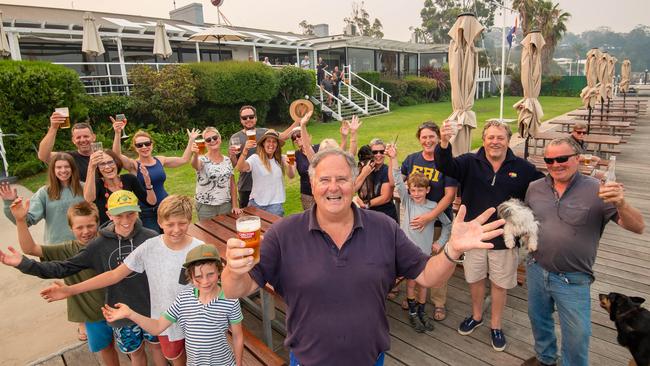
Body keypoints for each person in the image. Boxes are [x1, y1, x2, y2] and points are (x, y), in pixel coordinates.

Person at [222, 148, 505, 365]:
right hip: (307, 360)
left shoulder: (383, 228)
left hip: (371, 358)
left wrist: (452, 249)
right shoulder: (284, 233)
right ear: (312, 182)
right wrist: (233, 270)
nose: (334, 187)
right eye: (325, 180)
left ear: (354, 182)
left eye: (342, 179)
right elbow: (237, 288)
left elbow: (428, 276)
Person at [38, 195, 206, 366]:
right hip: (165, 321)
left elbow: (213, 282)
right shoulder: (150, 246)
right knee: (175, 358)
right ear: (160, 222)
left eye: (182, 223)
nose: (176, 229)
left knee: (200, 355)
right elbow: (114, 275)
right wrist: (69, 290)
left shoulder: (198, 248)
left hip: (196, 317)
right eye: (170, 224)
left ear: (189, 220)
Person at [521, 138, 645, 366]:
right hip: (536, 268)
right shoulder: (534, 188)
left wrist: (622, 204)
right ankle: (546, 358)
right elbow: (528, 221)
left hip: (573, 278)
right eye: (550, 160)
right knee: (539, 319)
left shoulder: (596, 189)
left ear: (577, 159)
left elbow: (637, 226)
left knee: (578, 335)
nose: (555, 164)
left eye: (562, 158)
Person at [10, 190, 165, 366]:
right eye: (119, 215)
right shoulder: (98, 245)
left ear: (137, 212)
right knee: (135, 354)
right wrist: (23, 264)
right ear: (109, 215)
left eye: (131, 214)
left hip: (153, 308)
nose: (126, 220)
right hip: (121, 313)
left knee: (158, 347)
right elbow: (63, 267)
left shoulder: (150, 237)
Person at [435, 120, 544, 351]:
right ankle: (476, 315)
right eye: (490, 137)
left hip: (505, 240)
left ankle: (496, 325)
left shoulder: (523, 168)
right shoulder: (468, 162)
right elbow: (444, 165)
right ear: (483, 140)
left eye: (500, 137)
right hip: (473, 237)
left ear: (508, 139)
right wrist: (444, 142)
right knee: (474, 279)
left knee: (499, 284)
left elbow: (545, 187)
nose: (495, 142)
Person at [0, 201, 119, 366]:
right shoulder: (65, 249)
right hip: (93, 314)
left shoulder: (110, 242)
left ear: (98, 223)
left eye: (90, 225)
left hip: (120, 307)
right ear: (71, 228)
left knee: (135, 346)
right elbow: (30, 249)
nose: (86, 232)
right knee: (107, 348)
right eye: (79, 227)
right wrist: (21, 221)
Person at [102, 244, 244, 366]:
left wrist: (238, 363)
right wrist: (130, 313)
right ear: (190, 276)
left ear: (219, 271)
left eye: (210, 274)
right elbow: (157, 327)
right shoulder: (183, 299)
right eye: (198, 277)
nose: (205, 281)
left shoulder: (230, 299)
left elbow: (237, 336)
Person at [396, 121, 459, 321]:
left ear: (439, 137)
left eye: (432, 136)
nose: (428, 140)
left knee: (439, 263)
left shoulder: (447, 161)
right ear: (419, 138)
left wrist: (429, 216)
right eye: (424, 136)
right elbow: (399, 181)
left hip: (438, 221)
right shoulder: (412, 159)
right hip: (415, 222)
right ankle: (412, 297)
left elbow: (449, 195)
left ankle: (438, 302)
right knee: (414, 260)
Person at [386, 144, 451, 333]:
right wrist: (393, 157)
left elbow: (448, 225)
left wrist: (440, 242)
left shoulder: (433, 207)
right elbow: (398, 180)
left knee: (424, 283)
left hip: (424, 254)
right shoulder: (407, 200)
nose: (416, 194)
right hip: (408, 253)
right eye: (413, 190)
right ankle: (413, 312)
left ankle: (422, 310)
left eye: (420, 190)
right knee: (411, 282)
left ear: (427, 190)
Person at [112, 117, 200, 232]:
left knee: (172, 234)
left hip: (166, 206)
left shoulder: (160, 160)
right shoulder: (133, 165)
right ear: (135, 148)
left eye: (147, 143)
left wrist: (191, 140)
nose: (144, 147)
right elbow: (116, 155)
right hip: (147, 211)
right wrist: (118, 133)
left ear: (152, 144)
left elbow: (184, 159)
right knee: (154, 237)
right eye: (140, 145)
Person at [1, 152, 85, 244]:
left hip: (84, 245)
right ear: (53, 170)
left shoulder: (85, 188)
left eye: (67, 166)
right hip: (56, 248)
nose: (63, 170)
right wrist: (9, 203)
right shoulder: (44, 193)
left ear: (73, 168)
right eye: (59, 167)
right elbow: (27, 221)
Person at [228, 105, 296, 209]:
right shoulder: (235, 138)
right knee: (249, 219)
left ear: (256, 117)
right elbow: (235, 165)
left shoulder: (265, 133)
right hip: (246, 185)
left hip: (267, 184)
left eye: (251, 116)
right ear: (241, 120)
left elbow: (284, 136)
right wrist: (232, 155)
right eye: (244, 118)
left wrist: (298, 120)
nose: (248, 119)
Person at [293, 114, 361, 210]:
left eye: (330, 150)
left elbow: (352, 153)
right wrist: (303, 126)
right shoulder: (317, 163)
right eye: (324, 150)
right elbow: (307, 146)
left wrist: (353, 133)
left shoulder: (342, 162)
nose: (327, 154)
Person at [84, 149, 156, 225]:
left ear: (116, 163)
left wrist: (148, 184)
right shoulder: (97, 184)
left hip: (131, 225)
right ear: (98, 168)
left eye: (110, 162)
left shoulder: (129, 179)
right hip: (108, 230)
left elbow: (151, 202)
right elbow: (89, 199)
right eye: (102, 164)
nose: (107, 167)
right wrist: (91, 168)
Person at [235, 129, 295, 216]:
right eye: (268, 141)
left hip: (275, 205)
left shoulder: (281, 159)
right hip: (256, 203)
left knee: (273, 230)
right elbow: (240, 168)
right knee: (253, 229)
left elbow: (291, 175)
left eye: (274, 142)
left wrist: (289, 165)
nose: (271, 144)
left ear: (277, 145)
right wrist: (245, 150)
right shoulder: (255, 158)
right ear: (263, 143)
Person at [192, 127, 242, 220]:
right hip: (206, 207)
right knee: (207, 234)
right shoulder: (201, 159)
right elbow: (195, 165)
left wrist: (235, 205)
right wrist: (195, 154)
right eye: (208, 139)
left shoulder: (227, 160)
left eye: (215, 137)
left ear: (220, 139)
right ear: (205, 143)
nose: (212, 141)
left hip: (225, 205)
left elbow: (232, 184)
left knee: (226, 233)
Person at [38, 113, 96, 182]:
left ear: (93, 137)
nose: (83, 140)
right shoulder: (69, 157)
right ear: (73, 140)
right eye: (78, 137)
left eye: (86, 136)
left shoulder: (104, 155)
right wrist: (53, 128)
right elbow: (43, 156)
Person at [354, 139, 398, 222]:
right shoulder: (366, 168)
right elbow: (354, 188)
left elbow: (386, 197)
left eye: (381, 152)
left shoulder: (386, 170)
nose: (378, 155)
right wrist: (364, 173)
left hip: (385, 216)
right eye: (375, 152)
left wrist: (366, 204)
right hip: (367, 215)